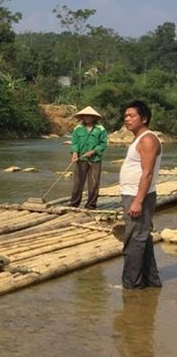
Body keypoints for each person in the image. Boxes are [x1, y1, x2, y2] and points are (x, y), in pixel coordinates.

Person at [118, 100, 162, 289]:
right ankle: (150, 282)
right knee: (142, 238)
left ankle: (131, 286)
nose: (127, 119)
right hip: (134, 195)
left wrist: (138, 201)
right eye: (126, 115)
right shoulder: (140, 138)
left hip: (138, 196)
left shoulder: (147, 139)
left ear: (144, 118)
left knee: (133, 241)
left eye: (132, 115)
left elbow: (147, 172)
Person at [69, 106, 108, 209]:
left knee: (94, 183)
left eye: (90, 116)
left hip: (95, 160)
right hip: (81, 159)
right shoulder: (77, 129)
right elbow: (74, 142)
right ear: (82, 117)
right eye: (85, 116)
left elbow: (103, 144)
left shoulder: (100, 129)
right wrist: (74, 153)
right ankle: (74, 204)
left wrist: (93, 151)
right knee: (78, 183)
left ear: (94, 117)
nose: (87, 117)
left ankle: (91, 205)